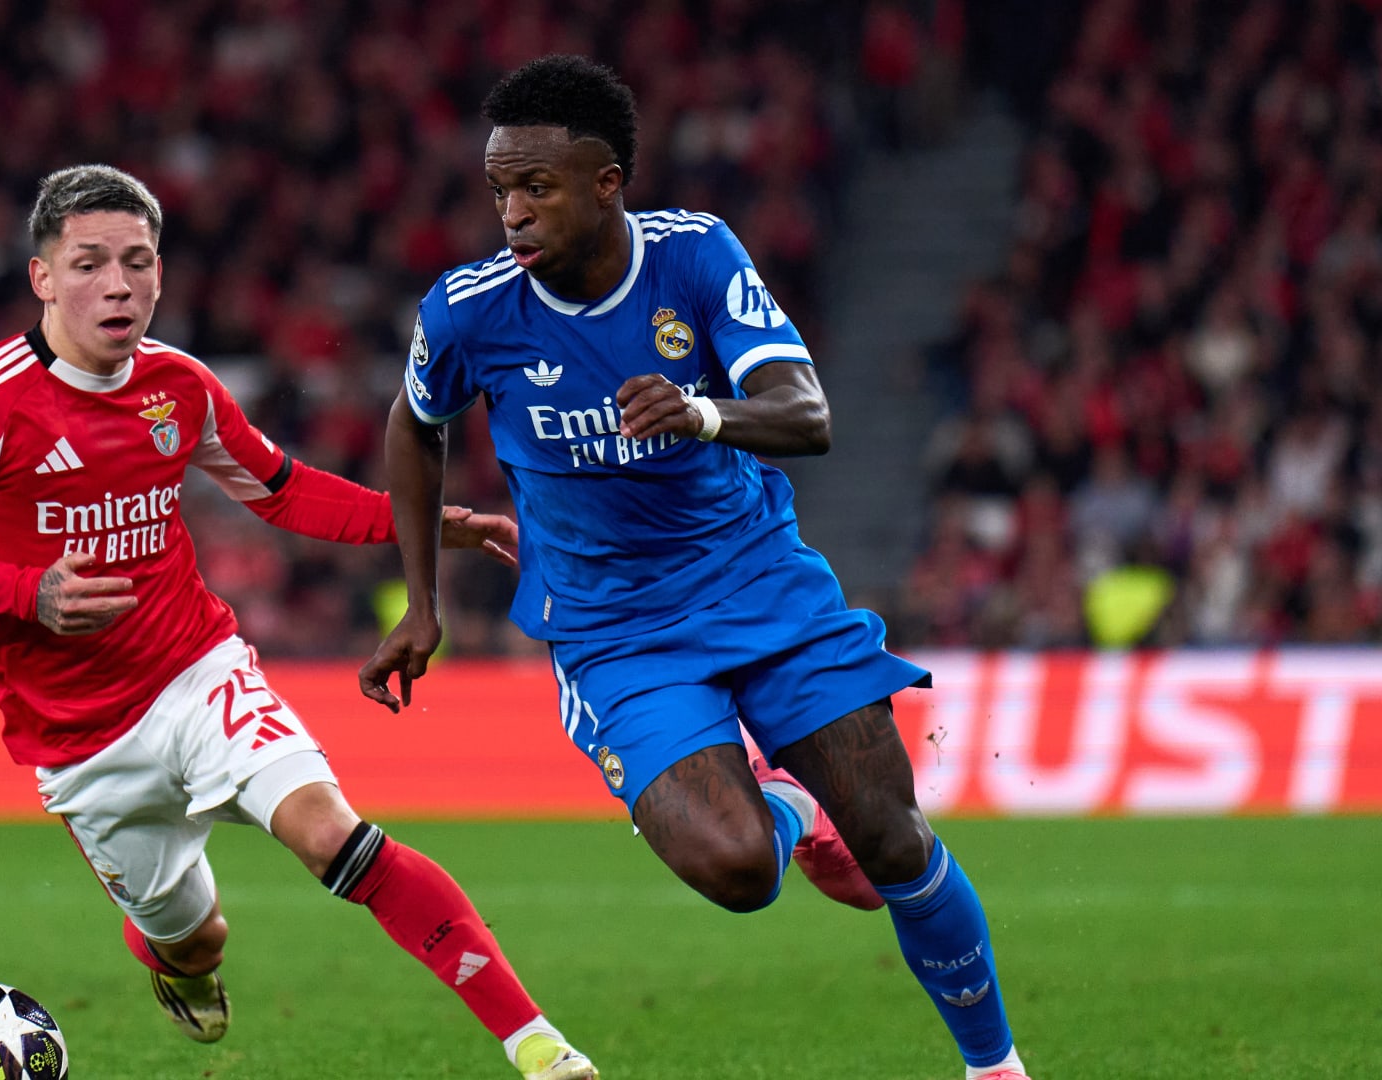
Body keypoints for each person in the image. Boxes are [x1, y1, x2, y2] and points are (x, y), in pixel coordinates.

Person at [361, 55, 1032, 1080]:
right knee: (738, 871)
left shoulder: (694, 256)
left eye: (536, 188)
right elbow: (415, 426)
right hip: (616, 631)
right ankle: (792, 811)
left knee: (894, 841)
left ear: (606, 183)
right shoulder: (469, 310)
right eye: (499, 191)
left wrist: (703, 412)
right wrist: (422, 602)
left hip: (760, 584)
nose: (513, 215)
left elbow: (807, 415)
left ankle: (996, 1069)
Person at [0, 164, 596, 1080]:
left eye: (138, 261)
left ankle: (538, 1046)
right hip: (78, 736)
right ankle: (177, 959)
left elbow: (282, 491)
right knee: (195, 938)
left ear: (160, 273)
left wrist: (425, 521)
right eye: (89, 264)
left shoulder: (180, 386)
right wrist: (30, 594)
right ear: (43, 278)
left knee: (330, 833)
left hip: (195, 671)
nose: (119, 284)